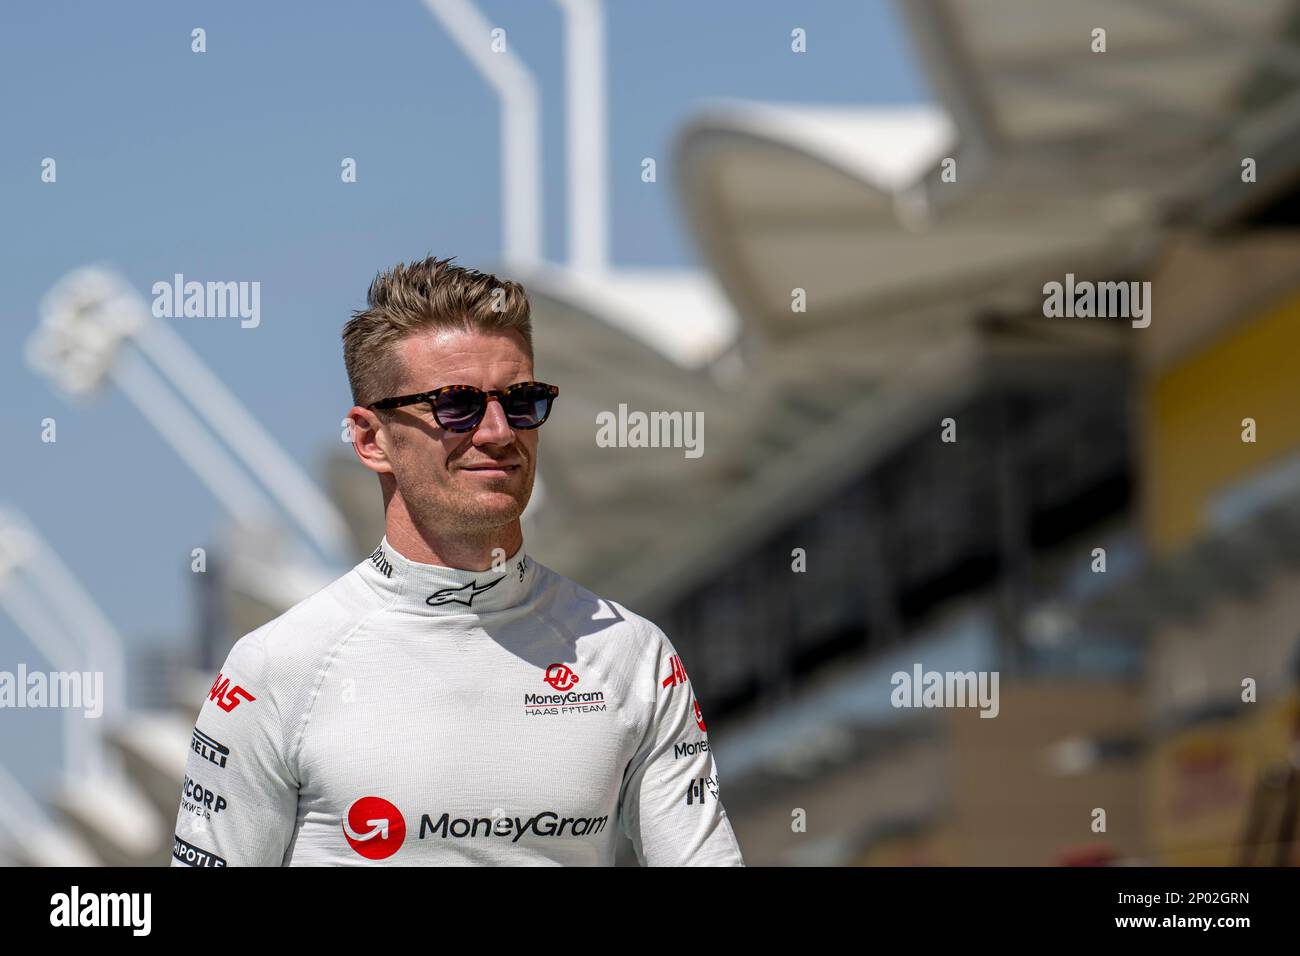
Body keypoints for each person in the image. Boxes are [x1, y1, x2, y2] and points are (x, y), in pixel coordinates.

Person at [170, 255, 744, 866]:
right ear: (371, 440)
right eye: (457, 405)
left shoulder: (632, 653)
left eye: (521, 400)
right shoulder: (274, 668)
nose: (498, 431)